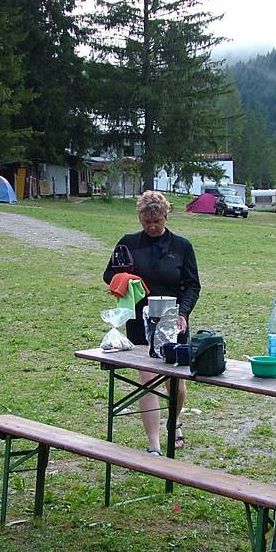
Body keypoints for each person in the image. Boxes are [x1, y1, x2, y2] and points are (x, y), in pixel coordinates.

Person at [103, 190, 201, 456]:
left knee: (176, 384)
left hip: (174, 320)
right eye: (147, 222)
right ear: (140, 219)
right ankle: (154, 445)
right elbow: (108, 274)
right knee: (148, 380)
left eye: (157, 221)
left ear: (166, 216)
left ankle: (174, 420)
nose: (153, 226)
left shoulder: (182, 246)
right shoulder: (128, 244)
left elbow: (193, 285)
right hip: (140, 321)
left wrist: (183, 313)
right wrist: (124, 280)